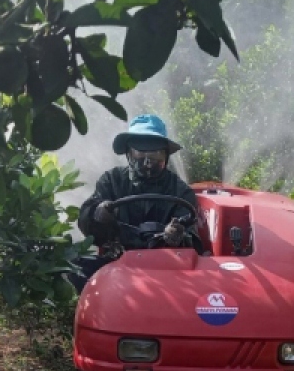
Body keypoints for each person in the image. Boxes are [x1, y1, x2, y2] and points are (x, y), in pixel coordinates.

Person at [68, 114, 202, 291]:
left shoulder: (181, 191)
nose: (147, 162)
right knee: (75, 267)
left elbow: (193, 238)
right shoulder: (111, 181)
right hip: (117, 261)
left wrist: (177, 235)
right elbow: (87, 224)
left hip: (167, 266)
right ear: (129, 154)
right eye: (140, 153)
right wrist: (96, 213)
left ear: (166, 156)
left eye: (155, 154)